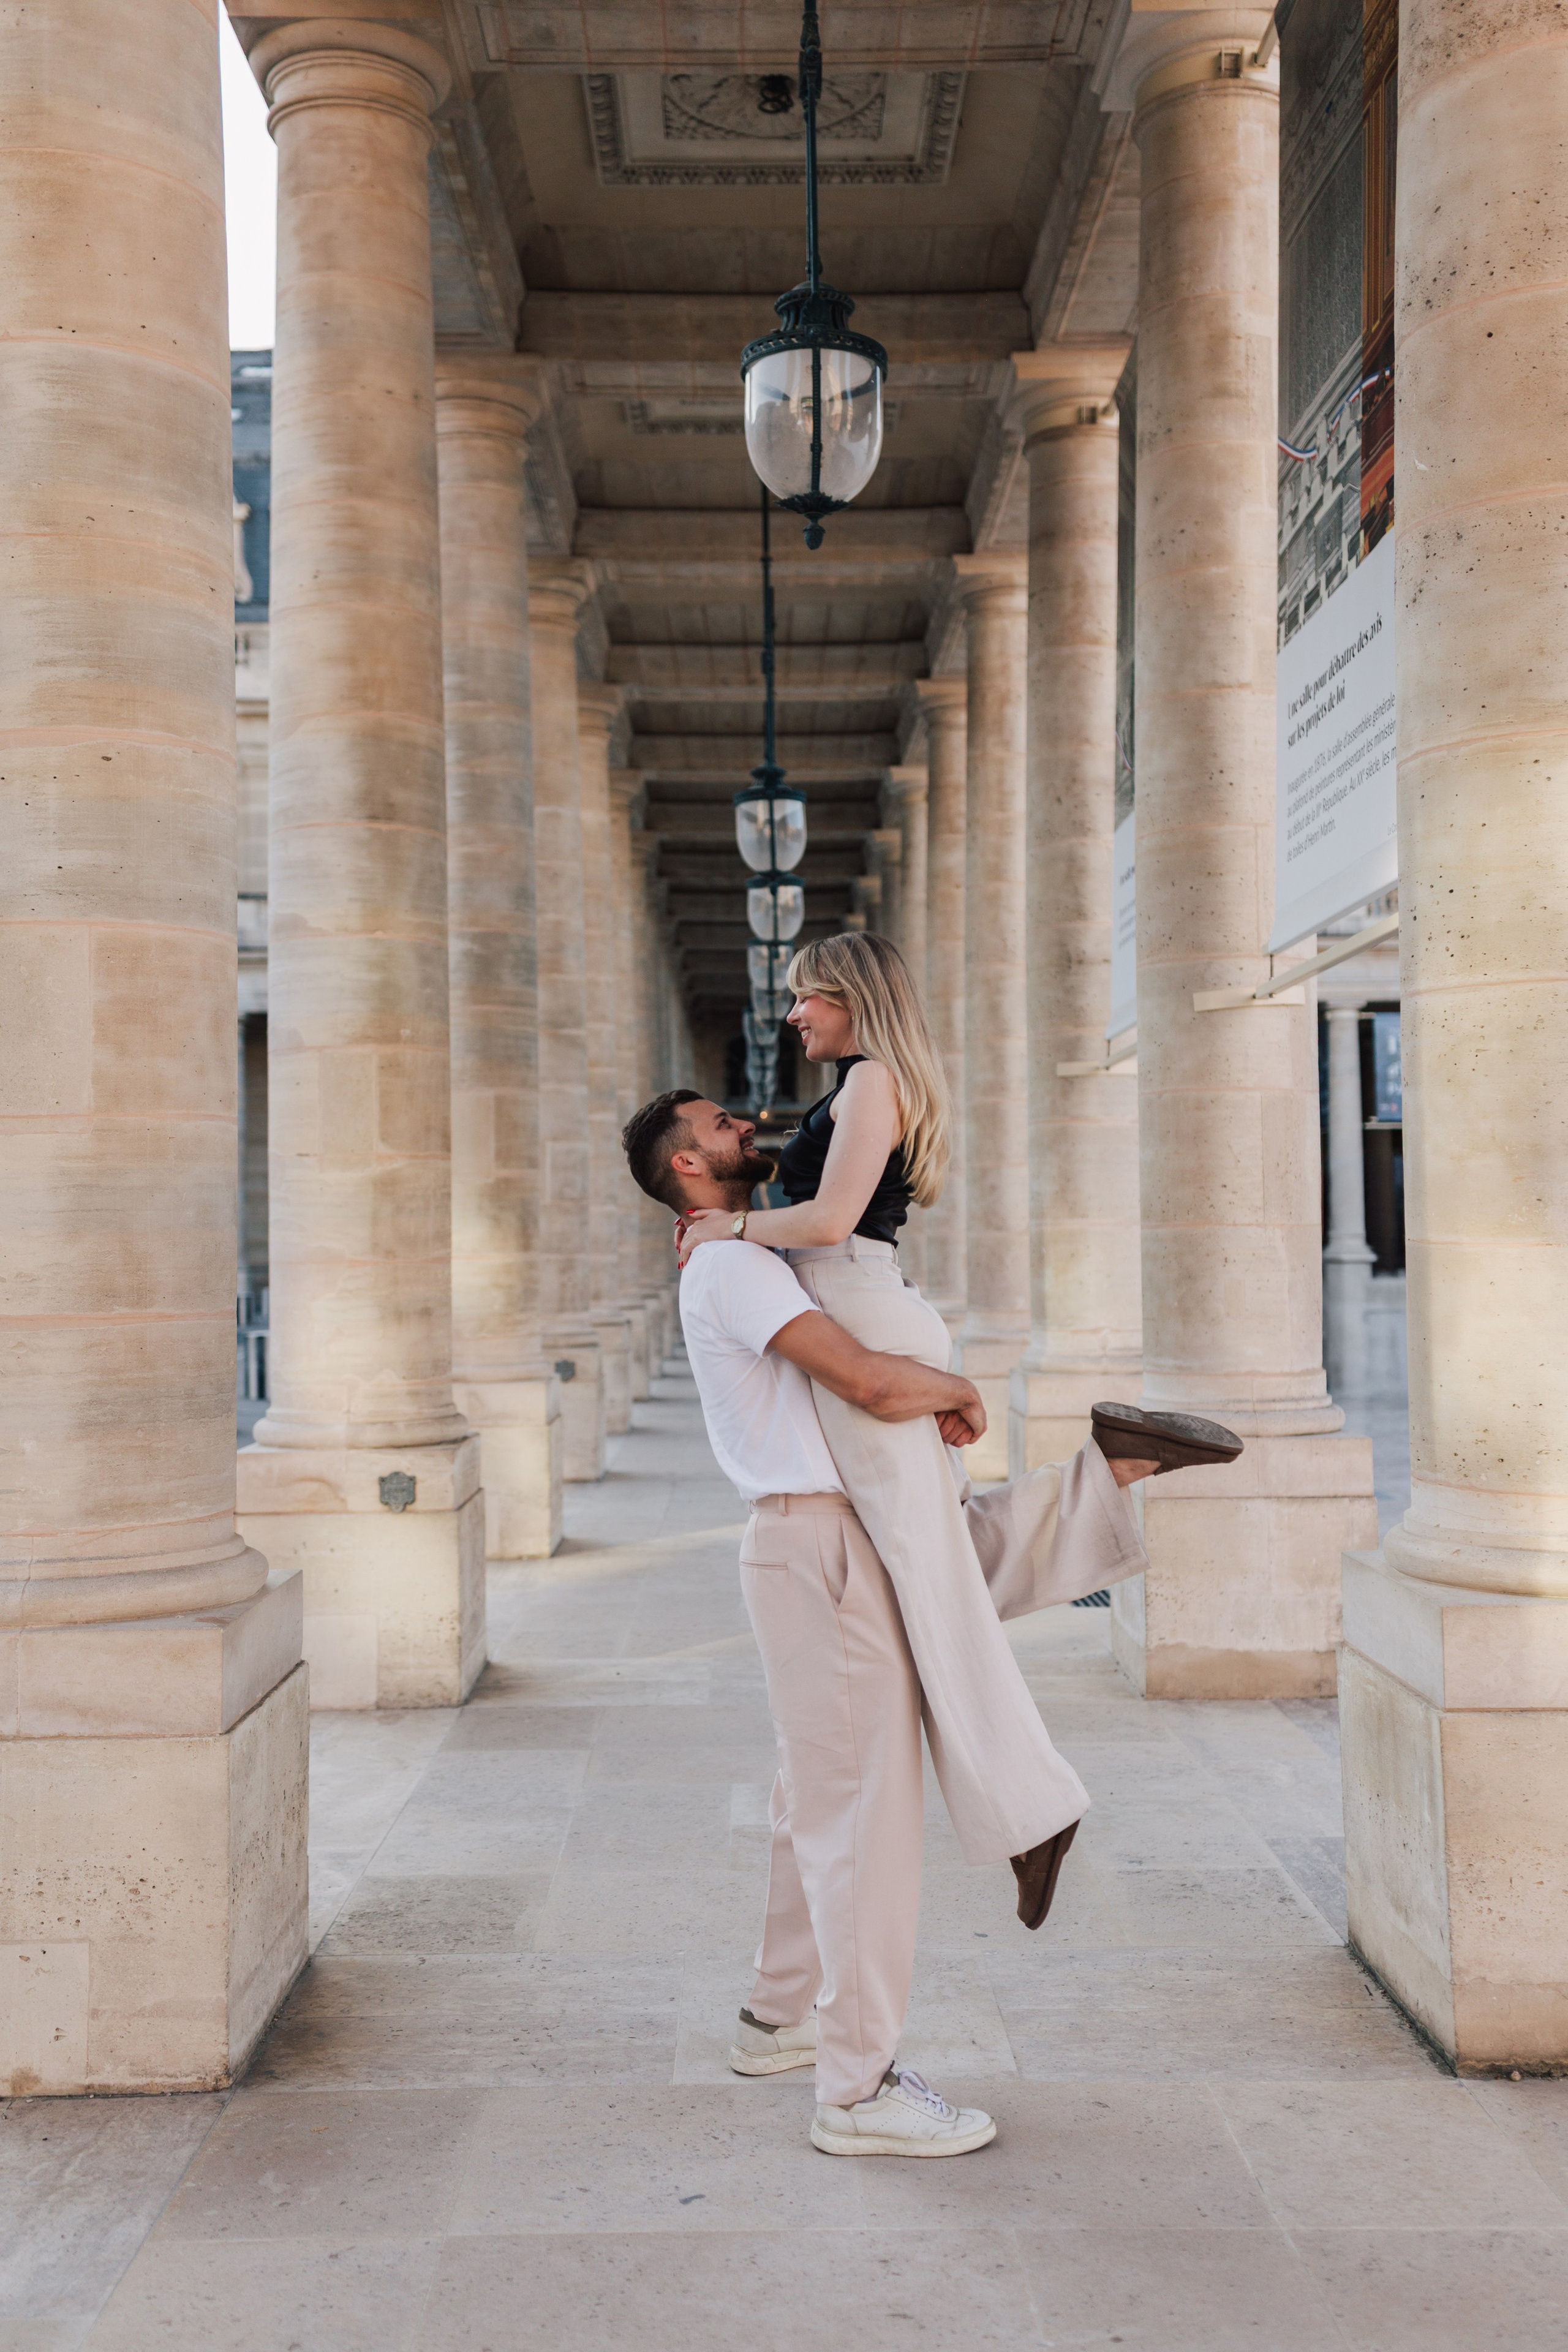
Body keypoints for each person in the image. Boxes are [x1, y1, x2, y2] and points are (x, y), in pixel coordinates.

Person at [621, 1087, 1229, 2160]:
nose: (744, 1129)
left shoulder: (745, 1253)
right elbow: (860, 1379)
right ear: (685, 1166)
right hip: (822, 1543)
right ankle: (857, 2090)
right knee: (863, 1819)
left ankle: (776, 2018)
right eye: (721, 1125)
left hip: (825, 1538)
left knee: (814, 1793)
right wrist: (953, 1383)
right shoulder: (730, 1265)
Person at [676, 934, 1242, 1922]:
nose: (794, 1015)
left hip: (858, 1300)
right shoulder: (864, 1084)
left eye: (809, 997)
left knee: (929, 1581)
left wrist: (724, 1227)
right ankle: (1114, 1465)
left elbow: (827, 1219)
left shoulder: (873, 1082)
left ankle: (1032, 1810)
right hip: (867, 1301)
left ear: (853, 999)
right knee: (938, 1554)